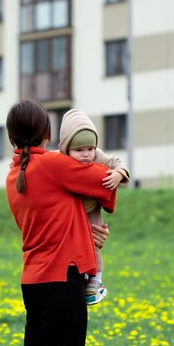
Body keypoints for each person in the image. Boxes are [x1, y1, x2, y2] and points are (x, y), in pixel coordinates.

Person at [5, 99, 117, 346]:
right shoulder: (52, 165)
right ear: (48, 134)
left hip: (34, 282)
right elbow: (102, 179)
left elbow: (59, 213)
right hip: (61, 279)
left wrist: (87, 234)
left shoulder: (15, 174)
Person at [59, 109, 130, 305]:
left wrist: (118, 174)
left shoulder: (98, 156)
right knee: (79, 247)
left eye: (90, 148)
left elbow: (116, 162)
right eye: (79, 150)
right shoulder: (59, 160)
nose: (86, 155)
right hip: (71, 214)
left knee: (93, 242)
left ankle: (96, 280)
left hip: (91, 211)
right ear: (67, 148)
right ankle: (83, 277)